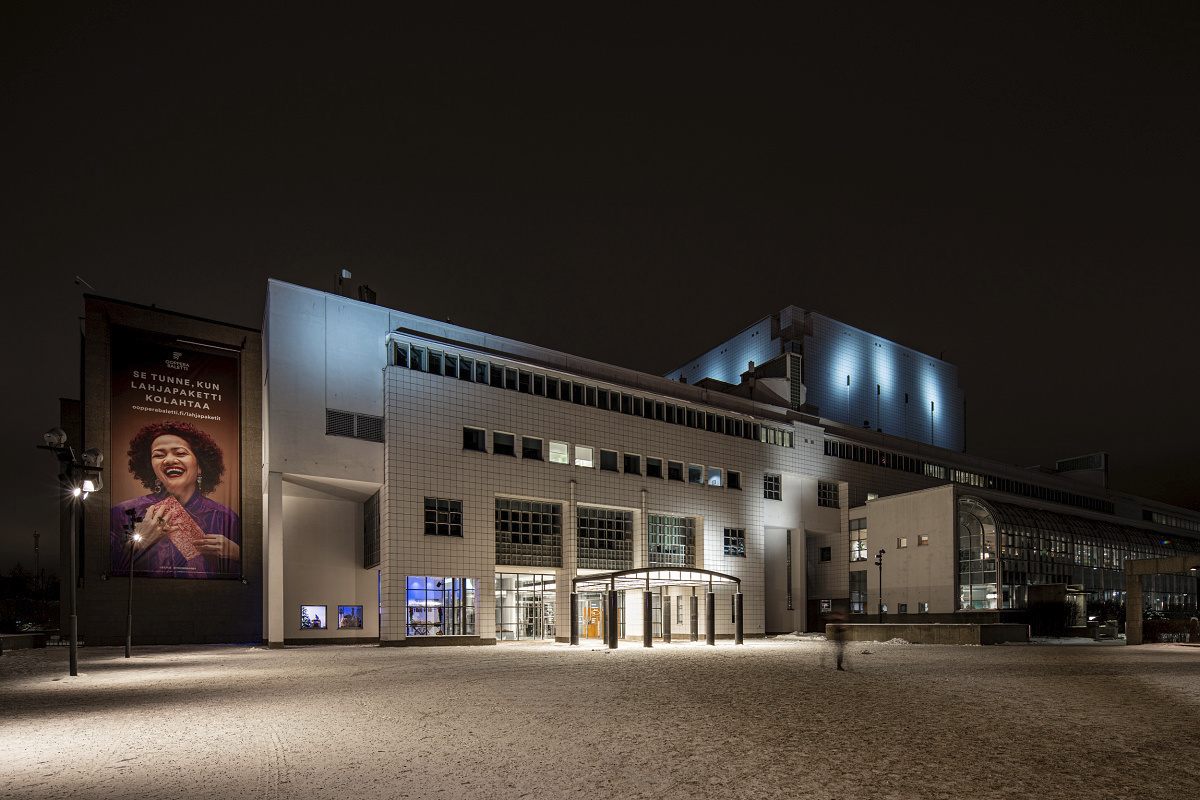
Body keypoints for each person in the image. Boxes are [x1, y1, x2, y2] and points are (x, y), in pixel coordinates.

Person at [110, 420, 241, 578]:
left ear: (200, 465)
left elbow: (242, 582)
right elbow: (105, 574)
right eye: (159, 455)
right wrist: (138, 543)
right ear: (150, 466)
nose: (169, 460)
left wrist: (238, 555)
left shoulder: (225, 517)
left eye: (180, 453)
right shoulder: (124, 513)